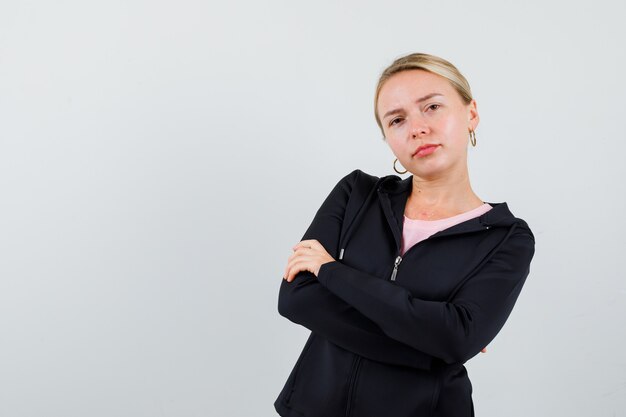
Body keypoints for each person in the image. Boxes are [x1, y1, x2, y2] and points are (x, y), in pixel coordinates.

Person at [274, 52, 535, 417]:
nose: (417, 128)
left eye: (431, 107)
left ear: (471, 113)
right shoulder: (356, 195)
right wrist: (429, 345)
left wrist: (332, 272)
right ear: (388, 138)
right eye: (397, 120)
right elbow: (297, 299)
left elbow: (455, 338)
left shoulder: (507, 238)